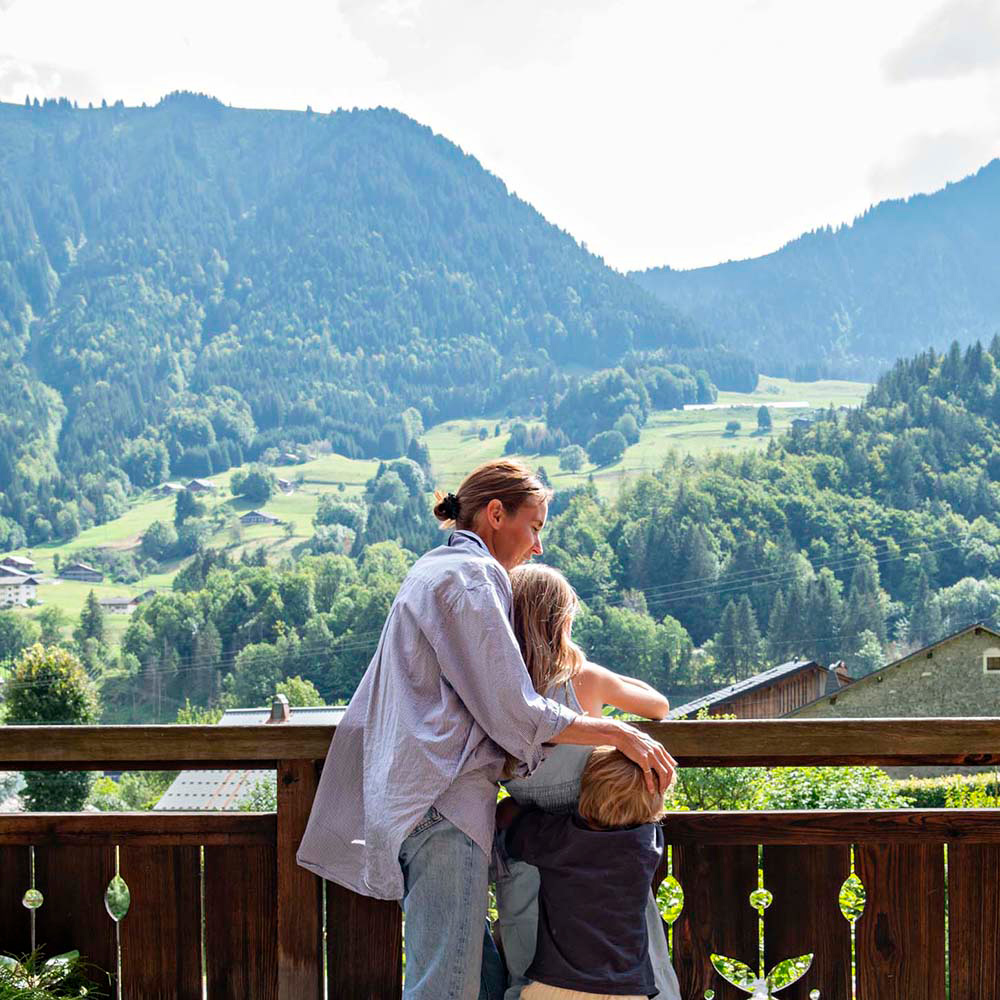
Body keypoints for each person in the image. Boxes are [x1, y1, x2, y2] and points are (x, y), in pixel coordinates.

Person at [297, 459, 676, 1000]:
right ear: (496, 514)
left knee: (476, 978)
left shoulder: (430, 570)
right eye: (536, 525)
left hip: (408, 801)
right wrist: (618, 735)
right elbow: (513, 710)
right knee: (445, 987)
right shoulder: (474, 578)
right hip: (444, 807)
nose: (538, 546)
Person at [496, 564, 681, 1000]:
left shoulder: (499, 694)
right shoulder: (586, 680)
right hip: (602, 859)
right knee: (634, 967)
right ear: (563, 621)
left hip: (527, 856)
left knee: (533, 975)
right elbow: (658, 706)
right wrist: (599, 671)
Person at [496, 746, 668, 999]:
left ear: (582, 795)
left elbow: (510, 823)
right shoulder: (648, 843)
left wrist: (512, 806)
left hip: (557, 985)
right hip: (625, 989)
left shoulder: (557, 838)